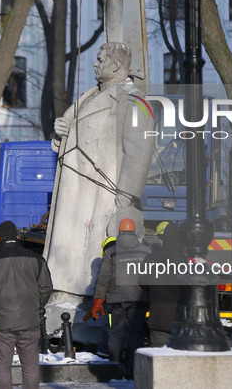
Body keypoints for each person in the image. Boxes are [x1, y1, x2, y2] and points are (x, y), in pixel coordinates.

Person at [44, 42, 155, 308]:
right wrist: (62, 133)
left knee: (87, 259)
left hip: (100, 193)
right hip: (76, 190)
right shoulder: (91, 95)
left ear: (116, 66)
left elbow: (139, 151)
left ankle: (80, 298)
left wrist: (124, 199)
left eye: (100, 59)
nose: (95, 64)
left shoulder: (134, 100)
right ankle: (62, 294)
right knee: (67, 256)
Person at [0, 221, 53, 389]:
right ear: (17, 237)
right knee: (30, 366)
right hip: (29, 321)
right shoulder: (36, 259)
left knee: (2, 367)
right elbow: (46, 288)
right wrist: (37, 307)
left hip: (1, 321)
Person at [92, 218, 150, 377]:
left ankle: (115, 369)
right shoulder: (146, 251)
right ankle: (133, 370)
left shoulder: (111, 251)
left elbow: (103, 278)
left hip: (114, 302)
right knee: (136, 333)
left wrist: (98, 301)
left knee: (114, 333)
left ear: (119, 232)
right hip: (138, 301)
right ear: (134, 232)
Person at [139, 222, 185, 347]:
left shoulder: (150, 259)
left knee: (159, 359)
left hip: (158, 316)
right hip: (179, 319)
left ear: (164, 239)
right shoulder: (185, 260)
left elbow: (142, 283)